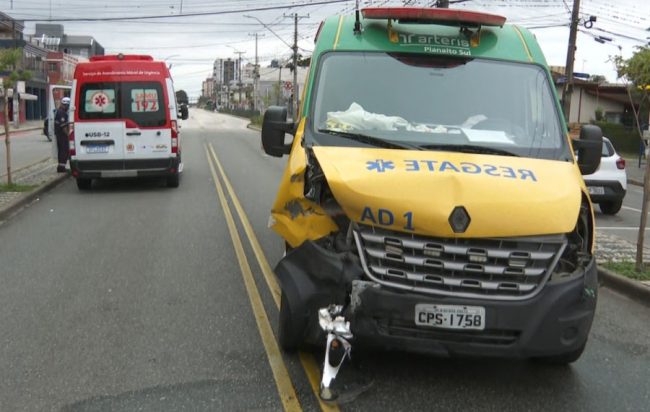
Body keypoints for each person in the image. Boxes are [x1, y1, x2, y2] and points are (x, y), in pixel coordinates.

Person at [54, 97, 70, 173]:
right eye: (67, 105)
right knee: (64, 150)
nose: (67, 107)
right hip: (62, 134)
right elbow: (64, 127)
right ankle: (61, 168)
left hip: (59, 134)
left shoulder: (59, 111)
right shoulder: (62, 113)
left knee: (61, 150)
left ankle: (61, 166)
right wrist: (68, 135)